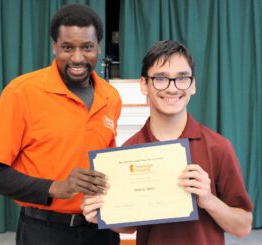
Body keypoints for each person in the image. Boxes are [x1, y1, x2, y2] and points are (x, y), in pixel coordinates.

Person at [0, 3, 121, 245]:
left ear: (99, 47)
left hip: (101, 230)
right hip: (44, 231)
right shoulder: (22, 92)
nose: (77, 57)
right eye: (67, 47)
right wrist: (55, 187)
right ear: (54, 47)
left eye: (86, 47)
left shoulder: (111, 96)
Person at [81, 40, 253, 245]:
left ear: (193, 85)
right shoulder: (128, 152)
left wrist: (209, 201)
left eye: (182, 79)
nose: (172, 89)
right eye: (161, 78)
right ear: (144, 84)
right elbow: (130, 225)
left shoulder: (218, 147)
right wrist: (102, 213)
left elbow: (243, 227)